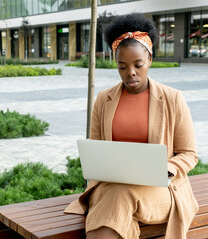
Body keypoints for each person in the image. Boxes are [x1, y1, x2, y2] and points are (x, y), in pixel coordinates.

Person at [64, 14, 198, 239]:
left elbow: (189, 154)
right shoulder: (103, 99)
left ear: (150, 61)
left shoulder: (173, 98)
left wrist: (166, 168)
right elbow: (96, 148)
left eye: (138, 65)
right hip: (111, 186)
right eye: (122, 66)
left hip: (161, 191)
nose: (131, 73)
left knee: (118, 199)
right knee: (117, 195)